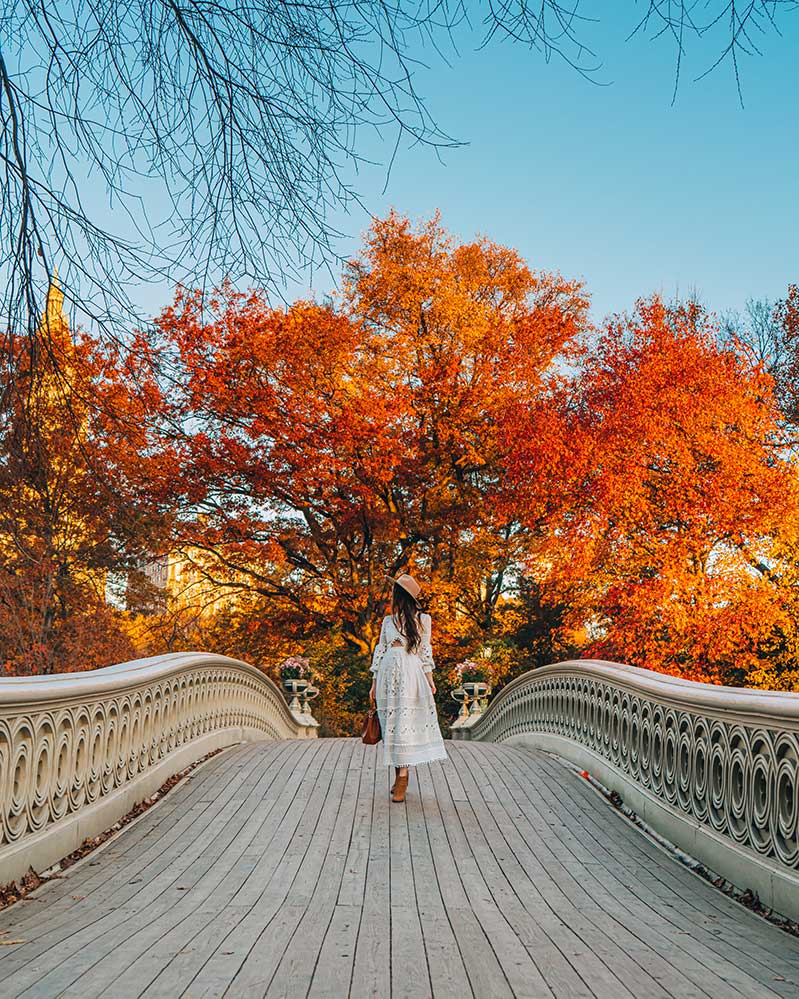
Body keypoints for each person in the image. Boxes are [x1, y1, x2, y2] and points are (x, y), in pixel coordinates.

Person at [369, 572, 448, 802]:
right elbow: (380, 650)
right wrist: (373, 683)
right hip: (387, 674)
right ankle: (399, 777)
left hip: (410, 675)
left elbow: (425, 652)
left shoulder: (423, 620)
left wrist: (430, 680)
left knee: (405, 725)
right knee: (392, 725)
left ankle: (403, 777)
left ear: (400, 595)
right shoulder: (388, 621)